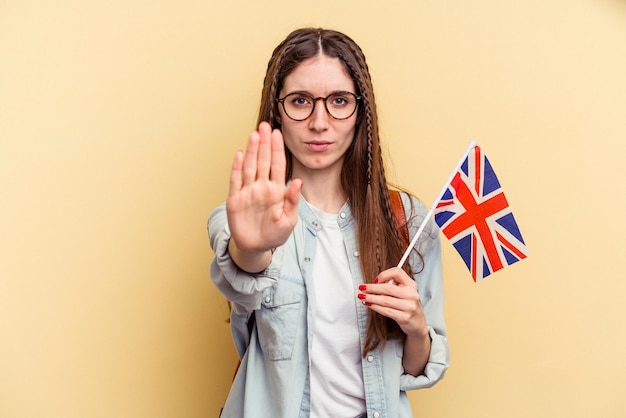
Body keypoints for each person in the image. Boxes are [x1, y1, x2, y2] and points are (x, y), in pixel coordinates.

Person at [208, 27, 449, 418]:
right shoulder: (243, 217)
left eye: (339, 101)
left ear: (360, 112)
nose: (320, 122)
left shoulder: (407, 220)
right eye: (300, 101)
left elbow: (414, 370)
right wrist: (251, 247)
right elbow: (240, 269)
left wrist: (417, 328)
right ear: (278, 113)